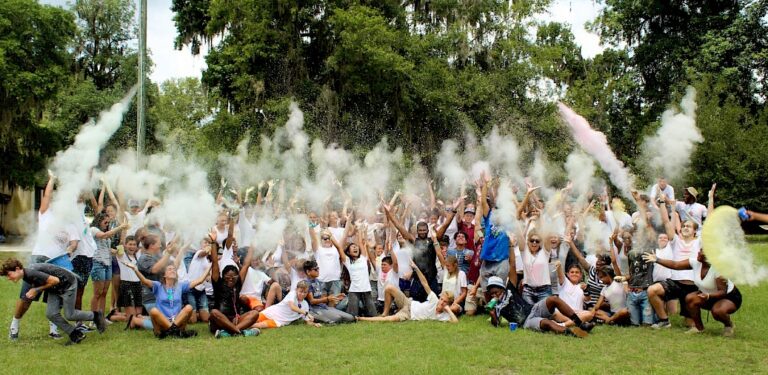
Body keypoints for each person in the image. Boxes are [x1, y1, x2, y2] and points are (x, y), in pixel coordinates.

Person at [9, 173, 79, 340]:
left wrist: (70, 249)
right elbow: (47, 196)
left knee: (55, 296)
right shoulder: (46, 214)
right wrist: (53, 179)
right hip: (39, 259)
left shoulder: (70, 224)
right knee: (26, 297)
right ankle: (14, 325)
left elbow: (74, 243)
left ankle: (53, 329)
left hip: (58, 264)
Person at [485, 237, 594, 337]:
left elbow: (512, 265)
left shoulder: (510, 289)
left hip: (534, 309)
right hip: (526, 322)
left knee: (553, 299)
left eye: (496, 292)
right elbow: (496, 324)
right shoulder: (496, 306)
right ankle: (572, 333)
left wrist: (510, 247)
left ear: (502, 288)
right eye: (492, 294)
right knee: (547, 322)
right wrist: (492, 314)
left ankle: (581, 324)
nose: (494, 295)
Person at [1, 258, 106, 344]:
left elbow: (55, 280)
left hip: (67, 284)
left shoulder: (31, 272)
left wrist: (36, 290)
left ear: (17, 268)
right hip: (55, 288)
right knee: (51, 314)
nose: (9, 278)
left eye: (9, 274)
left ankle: (97, 316)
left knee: (70, 315)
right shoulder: (26, 275)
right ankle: (75, 335)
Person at [643, 251, 741, 336]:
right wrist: (657, 259)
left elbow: (723, 291)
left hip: (728, 297)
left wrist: (708, 296)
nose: (698, 252)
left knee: (717, 311)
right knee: (690, 298)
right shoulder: (695, 262)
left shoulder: (718, 270)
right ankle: (699, 328)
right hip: (708, 295)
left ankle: (729, 325)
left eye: (701, 251)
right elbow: (675, 265)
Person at [646, 195, 701, 329]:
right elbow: (666, 222)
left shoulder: (699, 242)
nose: (685, 228)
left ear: (695, 231)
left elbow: (710, 220)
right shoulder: (676, 241)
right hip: (676, 283)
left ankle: (692, 319)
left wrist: (710, 199)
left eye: (689, 226)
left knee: (690, 325)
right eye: (684, 226)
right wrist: (663, 203)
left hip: (692, 286)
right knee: (652, 290)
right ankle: (664, 321)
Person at [120, 260, 208, 338]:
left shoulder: (180, 286)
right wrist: (135, 269)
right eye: (170, 269)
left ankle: (172, 330)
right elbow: (144, 281)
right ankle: (176, 332)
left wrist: (210, 266)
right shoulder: (158, 285)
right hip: (162, 324)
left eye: (174, 269)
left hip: (177, 321)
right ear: (164, 275)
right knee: (153, 310)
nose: (173, 270)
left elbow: (199, 281)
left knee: (189, 307)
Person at [357, 260, 458, 323]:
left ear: (448, 304)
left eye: (444, 302)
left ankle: (362, 319)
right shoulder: (434, 300)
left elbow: (455, 322)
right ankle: (385, 312)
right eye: (441, 299)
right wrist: (416, 268)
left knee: (391, 320)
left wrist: (448, 309)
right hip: (408, 303)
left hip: (409, 314)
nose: (441, 302)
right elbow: (424, 283)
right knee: (389, 288)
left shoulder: (444, 316)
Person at [207, 232, 261, 338]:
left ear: (237, 277)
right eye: (228, 277)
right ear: (223, 276)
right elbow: (214, 263)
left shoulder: (238, 283)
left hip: (235, 320)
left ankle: (229, 333)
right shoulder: (218, 282)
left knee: (254, 313)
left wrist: (252, 246)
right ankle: (242, 332)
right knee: (214, 312)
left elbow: (246, 264)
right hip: (219, 321)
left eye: (233, 277)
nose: (230, 280)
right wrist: (213, 243)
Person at [251, 280, 321, 329]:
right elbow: (292, 307)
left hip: (279, 321)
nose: (302, 294)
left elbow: (307, 321)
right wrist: (306, 313)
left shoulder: (305, 304)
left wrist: (315, 324)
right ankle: (241, 326)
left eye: (305, 292)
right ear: (296, 289)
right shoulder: (292, 294)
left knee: (259, 325)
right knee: (251, 320)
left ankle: (241, 329)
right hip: (270, 312)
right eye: (301, 291)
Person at [303, 260, 354, 324]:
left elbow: (321, 298)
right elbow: (312, 301)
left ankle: (326, 318)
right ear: (308, 272)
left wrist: (335, 297)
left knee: (350, 318)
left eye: (318, 268)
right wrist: (327, 299)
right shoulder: (306, 283)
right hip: (314, 309)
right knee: (337, 318)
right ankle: (314, 317)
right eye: (315, 269)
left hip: (323, 307)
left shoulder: (317, 281)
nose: (318, 271)